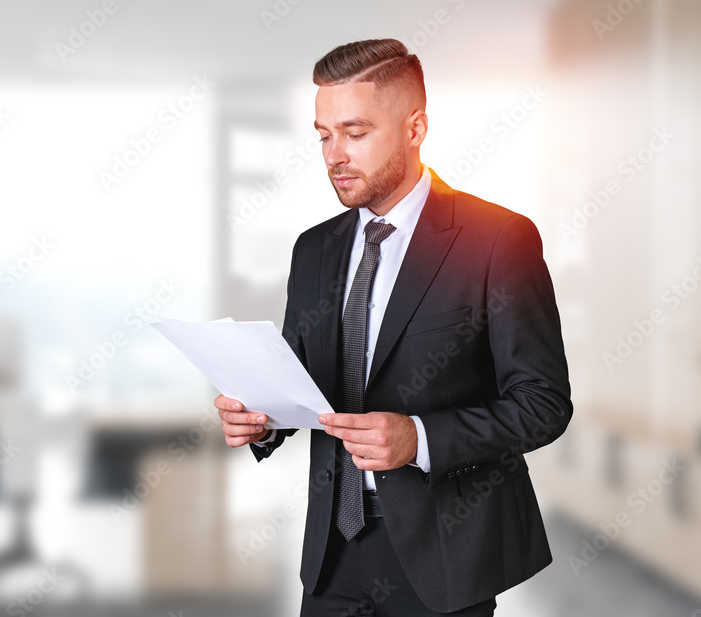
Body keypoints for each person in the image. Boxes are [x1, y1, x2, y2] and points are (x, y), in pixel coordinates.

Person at [216, 38, 572, 616]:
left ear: (415, 128)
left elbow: (543, 403)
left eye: (355, 133)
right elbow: (302, 383)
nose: (335, 154)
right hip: (332, 555)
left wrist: (421, 439)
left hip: (445, 555)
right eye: (324, 135)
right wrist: (262, 420)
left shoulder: (497, 240)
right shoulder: (315, 249)